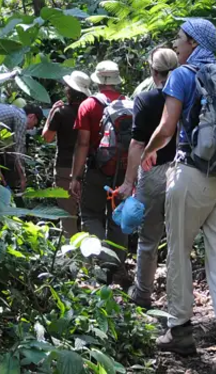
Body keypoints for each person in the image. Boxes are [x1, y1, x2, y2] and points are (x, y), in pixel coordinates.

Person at [140, 19, 216, 371]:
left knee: (179, 251)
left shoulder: (182, 75)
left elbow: (167, 128)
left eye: (180, 38)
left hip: (192, 173)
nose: (176, 44)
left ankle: (180, 331)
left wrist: (147, 152)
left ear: (194, 43)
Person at [115, 48, 179, 309]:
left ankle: (143, 294)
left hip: (152, 173)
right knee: (178, 240)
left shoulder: (145, 99)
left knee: (149, 239)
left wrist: (128, 182)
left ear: (154, 71)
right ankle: (178, 300)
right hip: (184, 172)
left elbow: (138, 143)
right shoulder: (188, 95)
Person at [69, 60, 131, 286]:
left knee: (90, 215)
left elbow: (83, 143)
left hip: (97, 171)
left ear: (97, 80)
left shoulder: (88, 105)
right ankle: (117, 266)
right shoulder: (129, 103)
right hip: (123, 171)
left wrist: (75, 177)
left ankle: (102, 263)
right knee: (118, 219)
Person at [42, 71, 92, 237]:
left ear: (69, 91)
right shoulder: (91, 111)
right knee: (89, 215)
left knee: (68, 214)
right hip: (89, 167)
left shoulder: (61, 112)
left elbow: (47, 137)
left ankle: (71, 250)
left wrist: (51, 114)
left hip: (65, 169)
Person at [0, 102, 44, 191]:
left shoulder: (12, 110)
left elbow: (7, 145)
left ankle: (1, 184)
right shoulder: (22, 118)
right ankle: (2, 187)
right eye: (34, 125)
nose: (32, 128)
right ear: (32, 116)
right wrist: (23, 177)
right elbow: (19, 150)